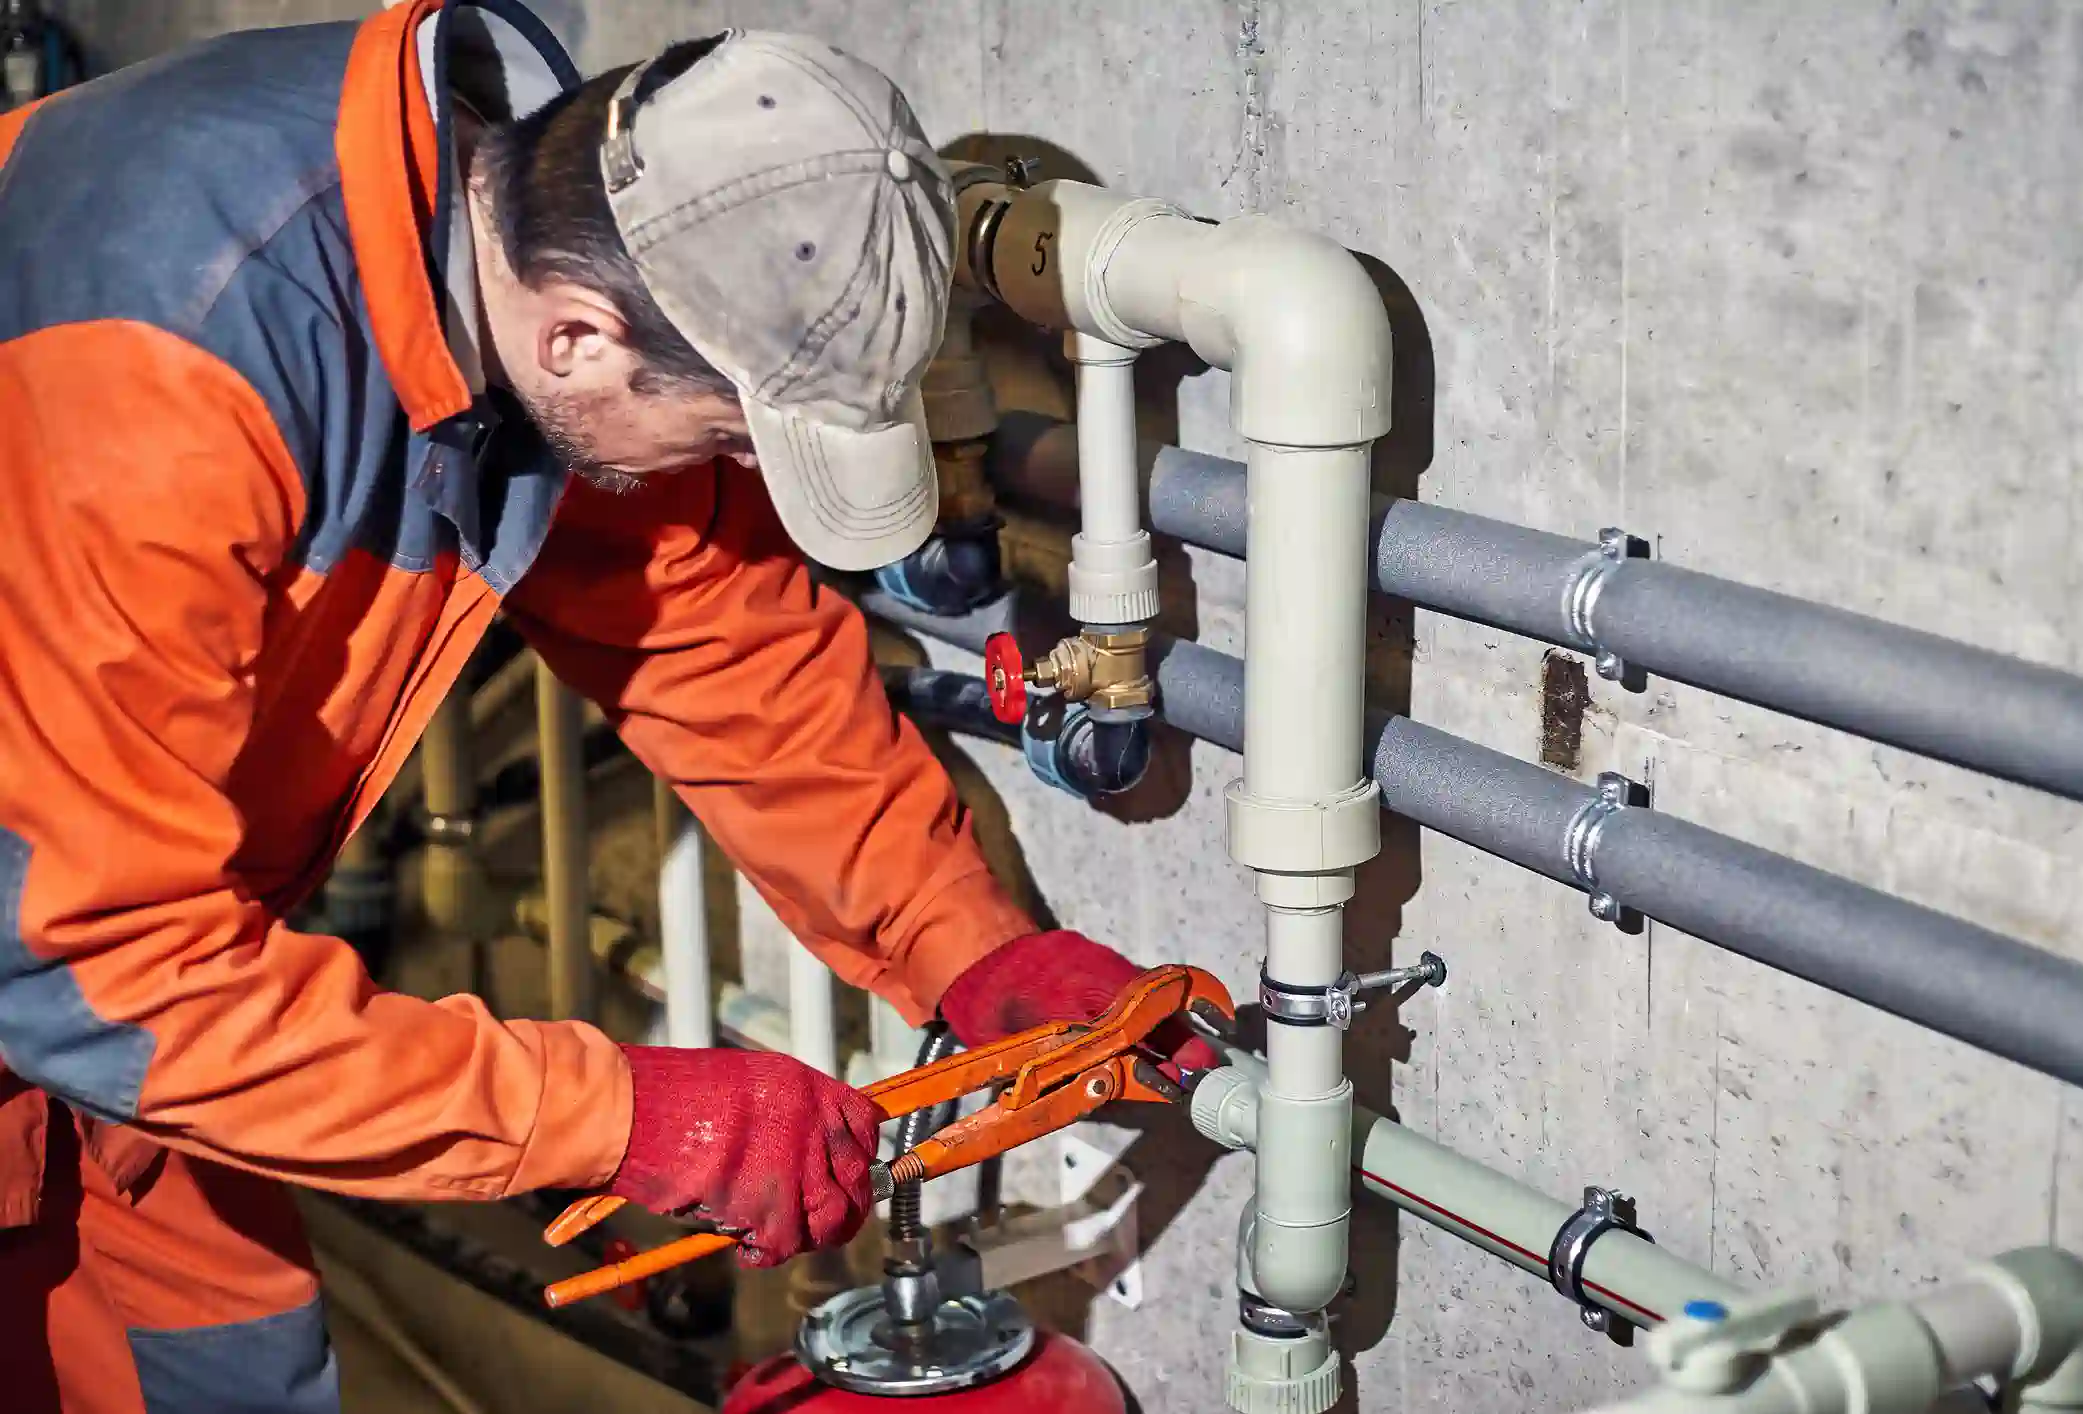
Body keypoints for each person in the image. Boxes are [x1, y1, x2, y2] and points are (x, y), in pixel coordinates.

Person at [0, 2, 1209, 1409]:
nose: (728, 470)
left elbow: (719, 633)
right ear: (581, 338)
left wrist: (968, 947)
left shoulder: (526, 233)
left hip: (118, 1026)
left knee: (227, 1367)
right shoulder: (161, 378)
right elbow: (89, 964)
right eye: (724, 434)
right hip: (85, 975)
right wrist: (625, 1117)